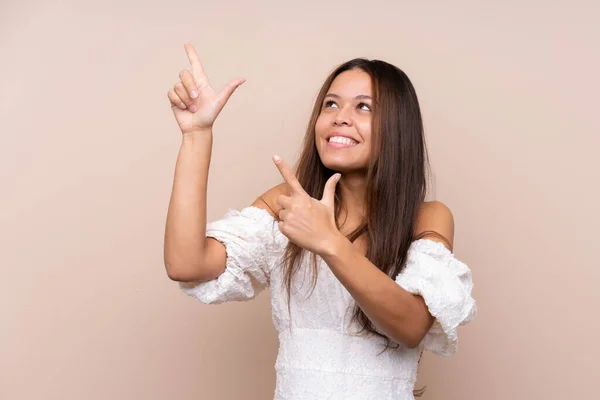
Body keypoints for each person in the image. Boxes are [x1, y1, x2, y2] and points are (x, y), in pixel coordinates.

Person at [164, 43, 477, 400]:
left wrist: (329, 241)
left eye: (364, 106)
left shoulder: (428, 216)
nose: (340, 116)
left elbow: (411, 327)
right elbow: (186, 264)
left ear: (398, 127)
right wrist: (196, 136)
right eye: (331, 103)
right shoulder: (288, 203)